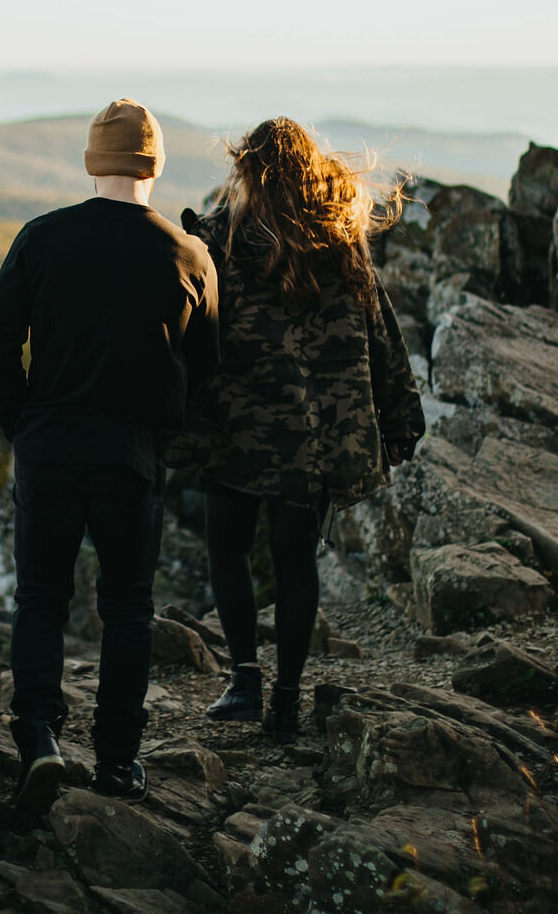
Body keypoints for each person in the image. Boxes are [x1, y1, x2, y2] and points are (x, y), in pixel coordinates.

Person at [0, 98, 220, 812]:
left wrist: (23, 419)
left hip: (49, 447)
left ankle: (40, 738)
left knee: (40, 600)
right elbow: (205, 369)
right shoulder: (189, 254)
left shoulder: (41, 238)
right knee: (127, 608)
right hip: (131, 457)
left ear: (93, 161)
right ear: (155, 165)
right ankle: (117, 760)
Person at [169, 117, 424, 743]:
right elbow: (380, 333)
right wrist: (400, 419)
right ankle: (285, 701)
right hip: (315, 439)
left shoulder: (219, 239)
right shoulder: (340, 240)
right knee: (295, 562)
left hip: (239, 433)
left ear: (248, 171)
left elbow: (189, 336)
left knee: (226, 548)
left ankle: (246, 683)